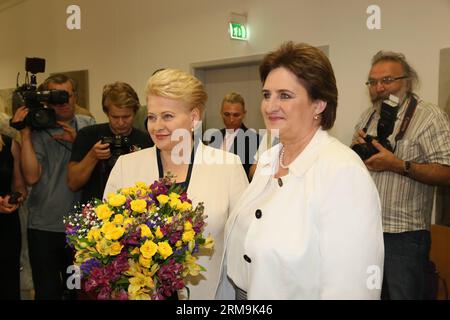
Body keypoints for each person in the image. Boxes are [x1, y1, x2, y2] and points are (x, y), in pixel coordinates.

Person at [216, 42, 384, 300]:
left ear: (319, 104)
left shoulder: (342, 172)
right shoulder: (268, 160)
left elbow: (352, 288)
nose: (270, 106)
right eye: (266, 94)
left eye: (285, 95)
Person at [104, 68, 248, 300]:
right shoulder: (126, 166)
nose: (157, 125)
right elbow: (107, 239)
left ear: (193, 118)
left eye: (167, 116)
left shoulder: (227, 166)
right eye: (152, 117)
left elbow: (244, 242)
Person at [351, 51, 450, 300]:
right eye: (373, 82)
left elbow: (447, 171)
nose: (379, 88)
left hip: (405, 237)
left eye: (387, 80)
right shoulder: (368, 116)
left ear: (407, 81)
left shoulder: (429, 116)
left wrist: (399, 165)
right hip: (367, 232)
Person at [11, 73, 95, 300]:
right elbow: (30, 177)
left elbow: (99, 166)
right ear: (46, 100)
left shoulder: (88, 126)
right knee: (48, 292)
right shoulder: (36, 130)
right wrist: (25, 134)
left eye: (66, 95)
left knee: (76, 290)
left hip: (79, 231)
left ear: (75, 96)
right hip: (44, 229)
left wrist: (79, 141)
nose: (63, 102)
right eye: (56, 97)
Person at [67, 81, 153, 204]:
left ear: (135, 112)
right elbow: (73, 183)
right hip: (94, 211)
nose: (121, 122)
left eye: (126, 117)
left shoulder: (145, 140)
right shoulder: (88, 135)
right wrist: (92, 156)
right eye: (115, 117)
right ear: (106, 113)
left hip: (134, 212)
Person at [208, 92, 260, 180]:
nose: (231, 119)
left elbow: (253, 176)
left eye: (236, 115)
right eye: (227, 114)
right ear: (221, 113)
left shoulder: (254, 139)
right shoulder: (215, 136)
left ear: (244, 114)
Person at [0, 134, 27, 300]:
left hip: (6, 223)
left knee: (8, 281)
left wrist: (18, 197)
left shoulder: (10, 145)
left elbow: (20, 186)